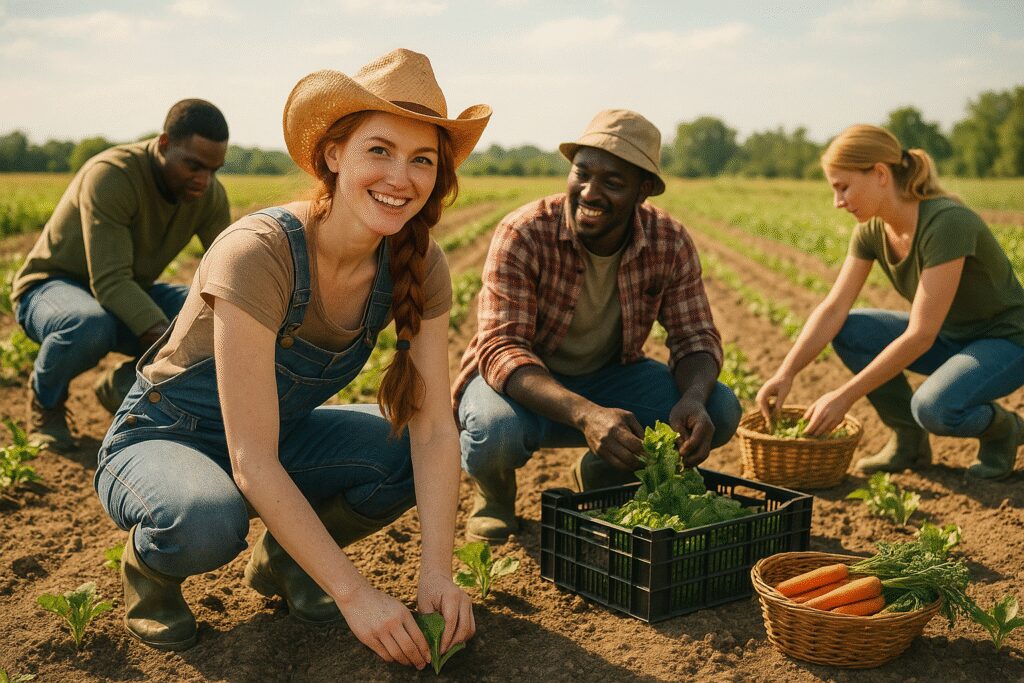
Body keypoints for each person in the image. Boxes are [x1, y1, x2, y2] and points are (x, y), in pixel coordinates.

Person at [92, 48, 491, 667]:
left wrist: (438, 572)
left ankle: (286, 563)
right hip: (168, 436)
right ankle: (151, 572)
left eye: (422, 159)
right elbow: (250, 459)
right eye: (379, 150)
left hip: (280, 434)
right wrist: (356, 595)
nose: (400, 177)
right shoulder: (259, 253)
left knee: (401, 455)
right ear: (334, 154)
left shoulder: (418, 264)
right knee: (205, 519)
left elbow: (436, 428)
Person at [453, 109, 742, 543]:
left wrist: (694, 398)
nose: (590, 192)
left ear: (643, 191)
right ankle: (494, 495)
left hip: (609, 375)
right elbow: (502, 348)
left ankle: (604, 470)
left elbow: (695, 337)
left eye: (613, 182)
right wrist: (586, 414)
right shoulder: (525, 232)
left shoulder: (668, 240)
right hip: (525, 381)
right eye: (582, 174)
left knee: (719, 408)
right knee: (494, 431)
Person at [757, 124, 1024, 481]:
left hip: (1007, 341)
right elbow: (834, 308)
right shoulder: (871, 231)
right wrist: (785, 372)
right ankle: (909, 440)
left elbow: (921, 335)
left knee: (933, 408)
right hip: (952, 337)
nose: (838, 201)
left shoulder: (946, 223)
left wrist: (844, 396)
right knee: (851, 330)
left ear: (880, 174)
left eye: (843, 187)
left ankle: (1004, 430)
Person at [12, 99, 231, 451]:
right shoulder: (112, 175)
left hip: (129, 289)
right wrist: (165, 350)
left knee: (215, 317)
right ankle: (45, 401)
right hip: (52, 287)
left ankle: (123, 384)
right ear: (164, 144)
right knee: (88, 324)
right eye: (193, 165)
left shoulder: (209, 195)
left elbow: (227, 272)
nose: (203, 180)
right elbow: (109, 281)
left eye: (213, 170)